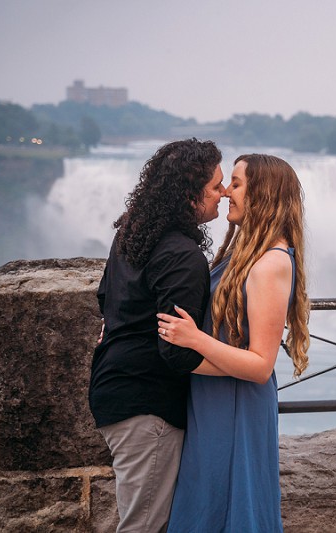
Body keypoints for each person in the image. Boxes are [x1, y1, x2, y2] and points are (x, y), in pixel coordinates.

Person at [157, 153, 310, 532]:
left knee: (229, 512)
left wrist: (193, 341)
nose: (226, 193)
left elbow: (260, 365)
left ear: (264, 195)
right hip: (213, 400)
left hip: (238, 408)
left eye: (237, 184)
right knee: (204, 508)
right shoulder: (244, 255)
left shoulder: (271, 263)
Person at [89, 138, 227, 533]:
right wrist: (245, 369)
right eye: (216, 185)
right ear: (189, 192)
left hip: (114, 388)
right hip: (146, 404)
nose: (223, 194)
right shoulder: (182, 256)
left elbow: (106, 299)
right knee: (144, 526)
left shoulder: (133, 234)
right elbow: (176, 351)